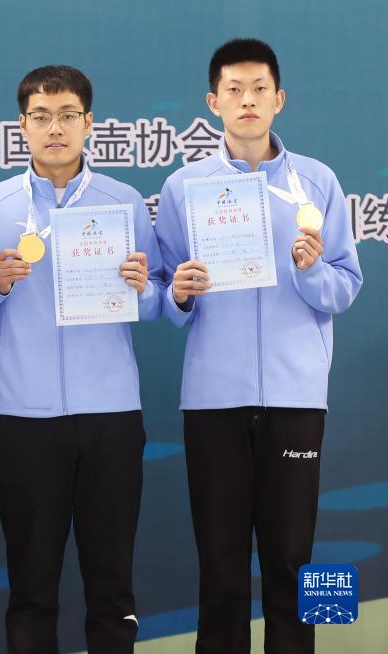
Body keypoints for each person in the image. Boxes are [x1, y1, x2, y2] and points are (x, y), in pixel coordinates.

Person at [153, 38, 362, 654]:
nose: (247, 100)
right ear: (213, 102)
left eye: (259, 89)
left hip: (297, 395)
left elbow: (346, 287)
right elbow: (163, 293)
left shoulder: (317, 181)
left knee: (295, 557)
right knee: (220, 562)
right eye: (234, 90)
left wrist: (311, 271)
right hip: (213, 398)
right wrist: (180, 294)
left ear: (279, 99)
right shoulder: (184, 186)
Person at [0, 65, 163, 654]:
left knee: (112, 585)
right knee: (31, 587)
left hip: (111, 416)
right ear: (22, 125)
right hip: (24, 417)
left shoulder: (123, 201)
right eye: (41, 117)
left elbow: (157, 304)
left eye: (68, 115)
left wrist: (142, 287)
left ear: (88, 123)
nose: (55, 128)